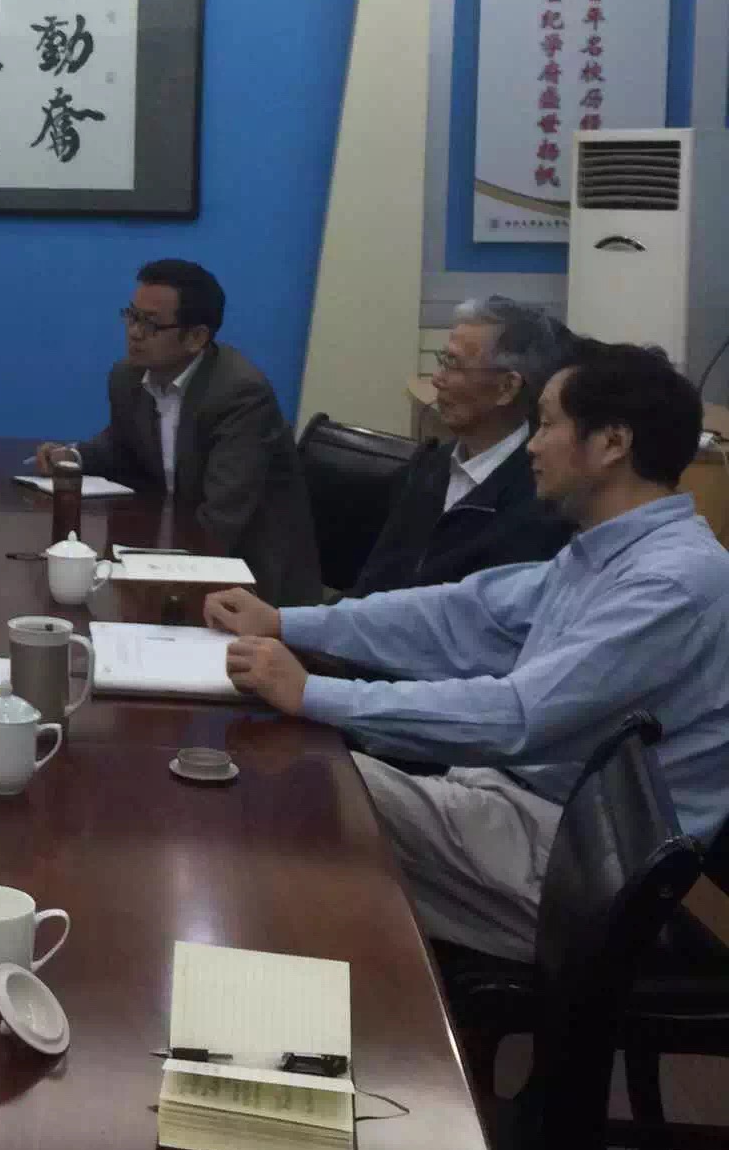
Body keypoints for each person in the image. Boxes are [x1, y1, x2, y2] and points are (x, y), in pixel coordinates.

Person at [206, 343, 729, 959]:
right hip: (524, 812)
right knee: (294, 787)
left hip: (579, 867)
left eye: (549, 424)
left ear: (612, 443)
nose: (532, 446)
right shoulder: (606, 552)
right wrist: (286, 622)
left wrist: (311, 693)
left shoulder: (670, 584)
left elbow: (519, 717)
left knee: (292, 787)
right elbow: (460, 616)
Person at [35, 258, 321, 606]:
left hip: (250, 580)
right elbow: (123, 446)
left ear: (196, 337)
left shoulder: (240, 395)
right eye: (131, 316)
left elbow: (222, 518)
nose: (134, 332)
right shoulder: (128, 377)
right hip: (172, 551)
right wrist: (72, 457)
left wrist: (151, 578)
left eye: (151, 324)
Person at [353, 296, 574, 595]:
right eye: (442, 361)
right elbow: (372, 585)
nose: (437, 379)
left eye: (453, 364)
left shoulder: (539, 496)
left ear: (507, 387)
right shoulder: (430, 465)